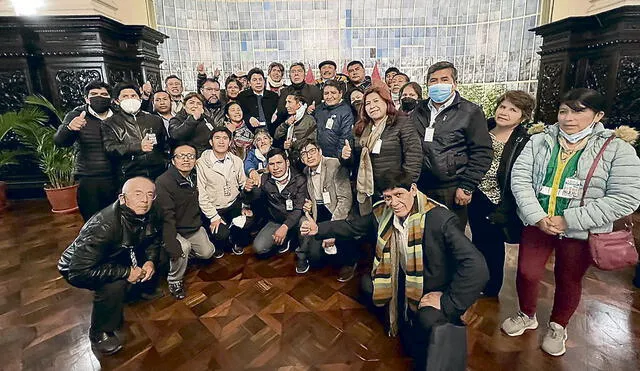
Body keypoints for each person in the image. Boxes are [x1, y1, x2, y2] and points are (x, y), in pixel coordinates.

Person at [300, 173, 488, 370]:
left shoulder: (439, 218)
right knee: (368, 286)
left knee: (428, 324)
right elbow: (352, 227)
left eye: (399, 194)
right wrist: (318, 229)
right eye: (389, 197)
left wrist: (448, 302)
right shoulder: (382, 213)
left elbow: (476, 265)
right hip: (401, 281)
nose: (395, 203)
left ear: (413, 190)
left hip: (433, 288)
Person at [502, 88, 640, 356]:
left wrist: (568, 220)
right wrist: (537, 216)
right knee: (527, 272)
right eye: (563, 110)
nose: (568, 118)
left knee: (569, 278)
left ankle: (558, 325)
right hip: (538, 223)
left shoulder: (617, 148)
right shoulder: (540, 140)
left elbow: (625, 198)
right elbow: (520, 179)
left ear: (598, 115)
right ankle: (526, 314)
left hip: (581, 229)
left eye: (578, 111)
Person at [58, 177, 162, 355]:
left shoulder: (151, 212)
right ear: (122, 198)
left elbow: (153, 239)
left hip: (119, 253)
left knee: (163, 256)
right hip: (81, 266)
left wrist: (150, 261)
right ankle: (100, 332)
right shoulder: (104, 225)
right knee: (114, 284)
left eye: (149, 195)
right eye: (137, 194)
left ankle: (137, 291)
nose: (144, 200)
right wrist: (127, 271)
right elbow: (78, 271)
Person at [467, 90, 535, 298]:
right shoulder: (482, 129)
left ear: (523, 116)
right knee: (476, 240)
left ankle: (491, 286)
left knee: (493, 245)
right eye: (502, 107)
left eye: (513, 110)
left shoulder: (523, 140)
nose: (504, 112)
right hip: (472, 192)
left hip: (498, 199)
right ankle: (474, 279)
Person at [412, 61, 492, 229]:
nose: (438, 84)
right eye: (433, 80)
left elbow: (482, 152)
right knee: (421, 236)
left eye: (444, 79)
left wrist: (467, 186)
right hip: (420, 187)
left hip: (451, 188)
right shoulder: (417, 111)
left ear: (454, 84)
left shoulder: (470, 112)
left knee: (449, 238)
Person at [341, 85, 422, 215]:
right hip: (368, 190)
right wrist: (346, 157)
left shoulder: (402, 123)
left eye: (376, 101)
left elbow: (414, 157)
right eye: (367, 103)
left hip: (394, 191)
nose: (372, 106)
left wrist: (402, 187)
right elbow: (354, 163)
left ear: (386, 102)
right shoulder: (361, 128)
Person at [156, 144, 216, 300]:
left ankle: (186, 256)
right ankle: (174, 280)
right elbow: (166, 218)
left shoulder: (196, 176)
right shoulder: (164, 182)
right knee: (183, 247)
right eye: (181, 156)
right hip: (172, 228)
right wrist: (171, 243)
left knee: (208, 252)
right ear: (173, 160)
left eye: (190, 156)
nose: (186, 160)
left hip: (193, 226)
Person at [54, 80, 117, 221]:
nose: (99, 97)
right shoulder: (76, 115)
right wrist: (70, 128)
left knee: (118, 219)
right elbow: (59, 141)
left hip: (117, 176)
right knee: (93, 221)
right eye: (94, 94)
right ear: (86, 98)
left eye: (103, 94)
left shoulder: (118, 115)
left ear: (111, 99)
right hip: (89, 178)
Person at [298, 139, 358, 280]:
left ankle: (351, 261)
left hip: (340, 212)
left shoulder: (334, 165)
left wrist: (332, 228)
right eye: (304, 154)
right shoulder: (306, 171)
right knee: (314, 258)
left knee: (343, 249)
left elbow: (345, 200)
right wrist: (308, 205)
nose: (309, 156)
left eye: (312, 151)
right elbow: (311, 196)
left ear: (320, 151)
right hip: (320, 211)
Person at [197, 127, 253, 256]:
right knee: (221, 234)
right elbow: (202, 195)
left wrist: (247, 192)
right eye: (217, 138)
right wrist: (213, 217)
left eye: (225, 138)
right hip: (214, 208)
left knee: (248, 221)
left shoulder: (236, 161)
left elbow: (242, 184)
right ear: (211, 142)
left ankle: (235, 241)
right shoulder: (201, 164)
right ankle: (219, 244)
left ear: (230, 142)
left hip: (233, 204)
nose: (221, 141)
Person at [243, 148, 307, 258]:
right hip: (276, 220)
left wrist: (285, 227)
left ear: (287, 162)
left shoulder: (299, 179)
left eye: (279, 163)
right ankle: (286, 239)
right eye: (272, 164)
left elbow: (298, 209)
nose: (276, 168)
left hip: (296, 220)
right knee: (259, 248)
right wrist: (247, 191)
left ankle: (302, 252)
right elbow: (250, 199)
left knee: (305, 223)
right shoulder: (264, 179)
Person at [102, 81, 168, 184]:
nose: (130, 99)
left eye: (133, 95)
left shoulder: (155, 119)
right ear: (116, 101)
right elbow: (110, 148)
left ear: (139, 98)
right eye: (125, 96)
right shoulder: (110, 123)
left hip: (159, 173)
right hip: (129, 175)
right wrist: (138, 147)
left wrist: (165, 163)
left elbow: (165, 146)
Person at [169, 93, 221, 157]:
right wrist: (193, 119)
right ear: (184, 106)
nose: (195, 106)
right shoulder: (176, 119)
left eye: (199, 104)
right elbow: (176, 135)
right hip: (187, 156)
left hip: (207, 156)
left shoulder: (207, 119)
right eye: (191, 103)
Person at [313, 80, 355, 159]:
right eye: (326, 93)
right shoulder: (318, 109)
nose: (329, 96)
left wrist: (337, 159)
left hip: (336, 160)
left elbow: (345, 138)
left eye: (333, 93)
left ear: (340, 93)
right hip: (319, 158)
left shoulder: (346, 111)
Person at [274, 94, 317, 168]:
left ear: (299, 104)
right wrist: (285, 124)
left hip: (304, 161)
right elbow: (276, 135)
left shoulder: (309, 120)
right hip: (290, 159)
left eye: (289, 102)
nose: (286, 106)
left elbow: (311, 140)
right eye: (286, 102)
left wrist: (293, 144)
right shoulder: (289, 117)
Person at [237, 68, 279, 136]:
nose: (258, 82)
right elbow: (240, 113)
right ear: (249, 83)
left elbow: (279, 111)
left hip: (271, 132)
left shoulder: (273, 96)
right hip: (251, 133)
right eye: (254, 80)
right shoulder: (242, 96)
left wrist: (276, 114)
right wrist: (249, 118)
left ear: (264, 81)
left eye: (260, 79)